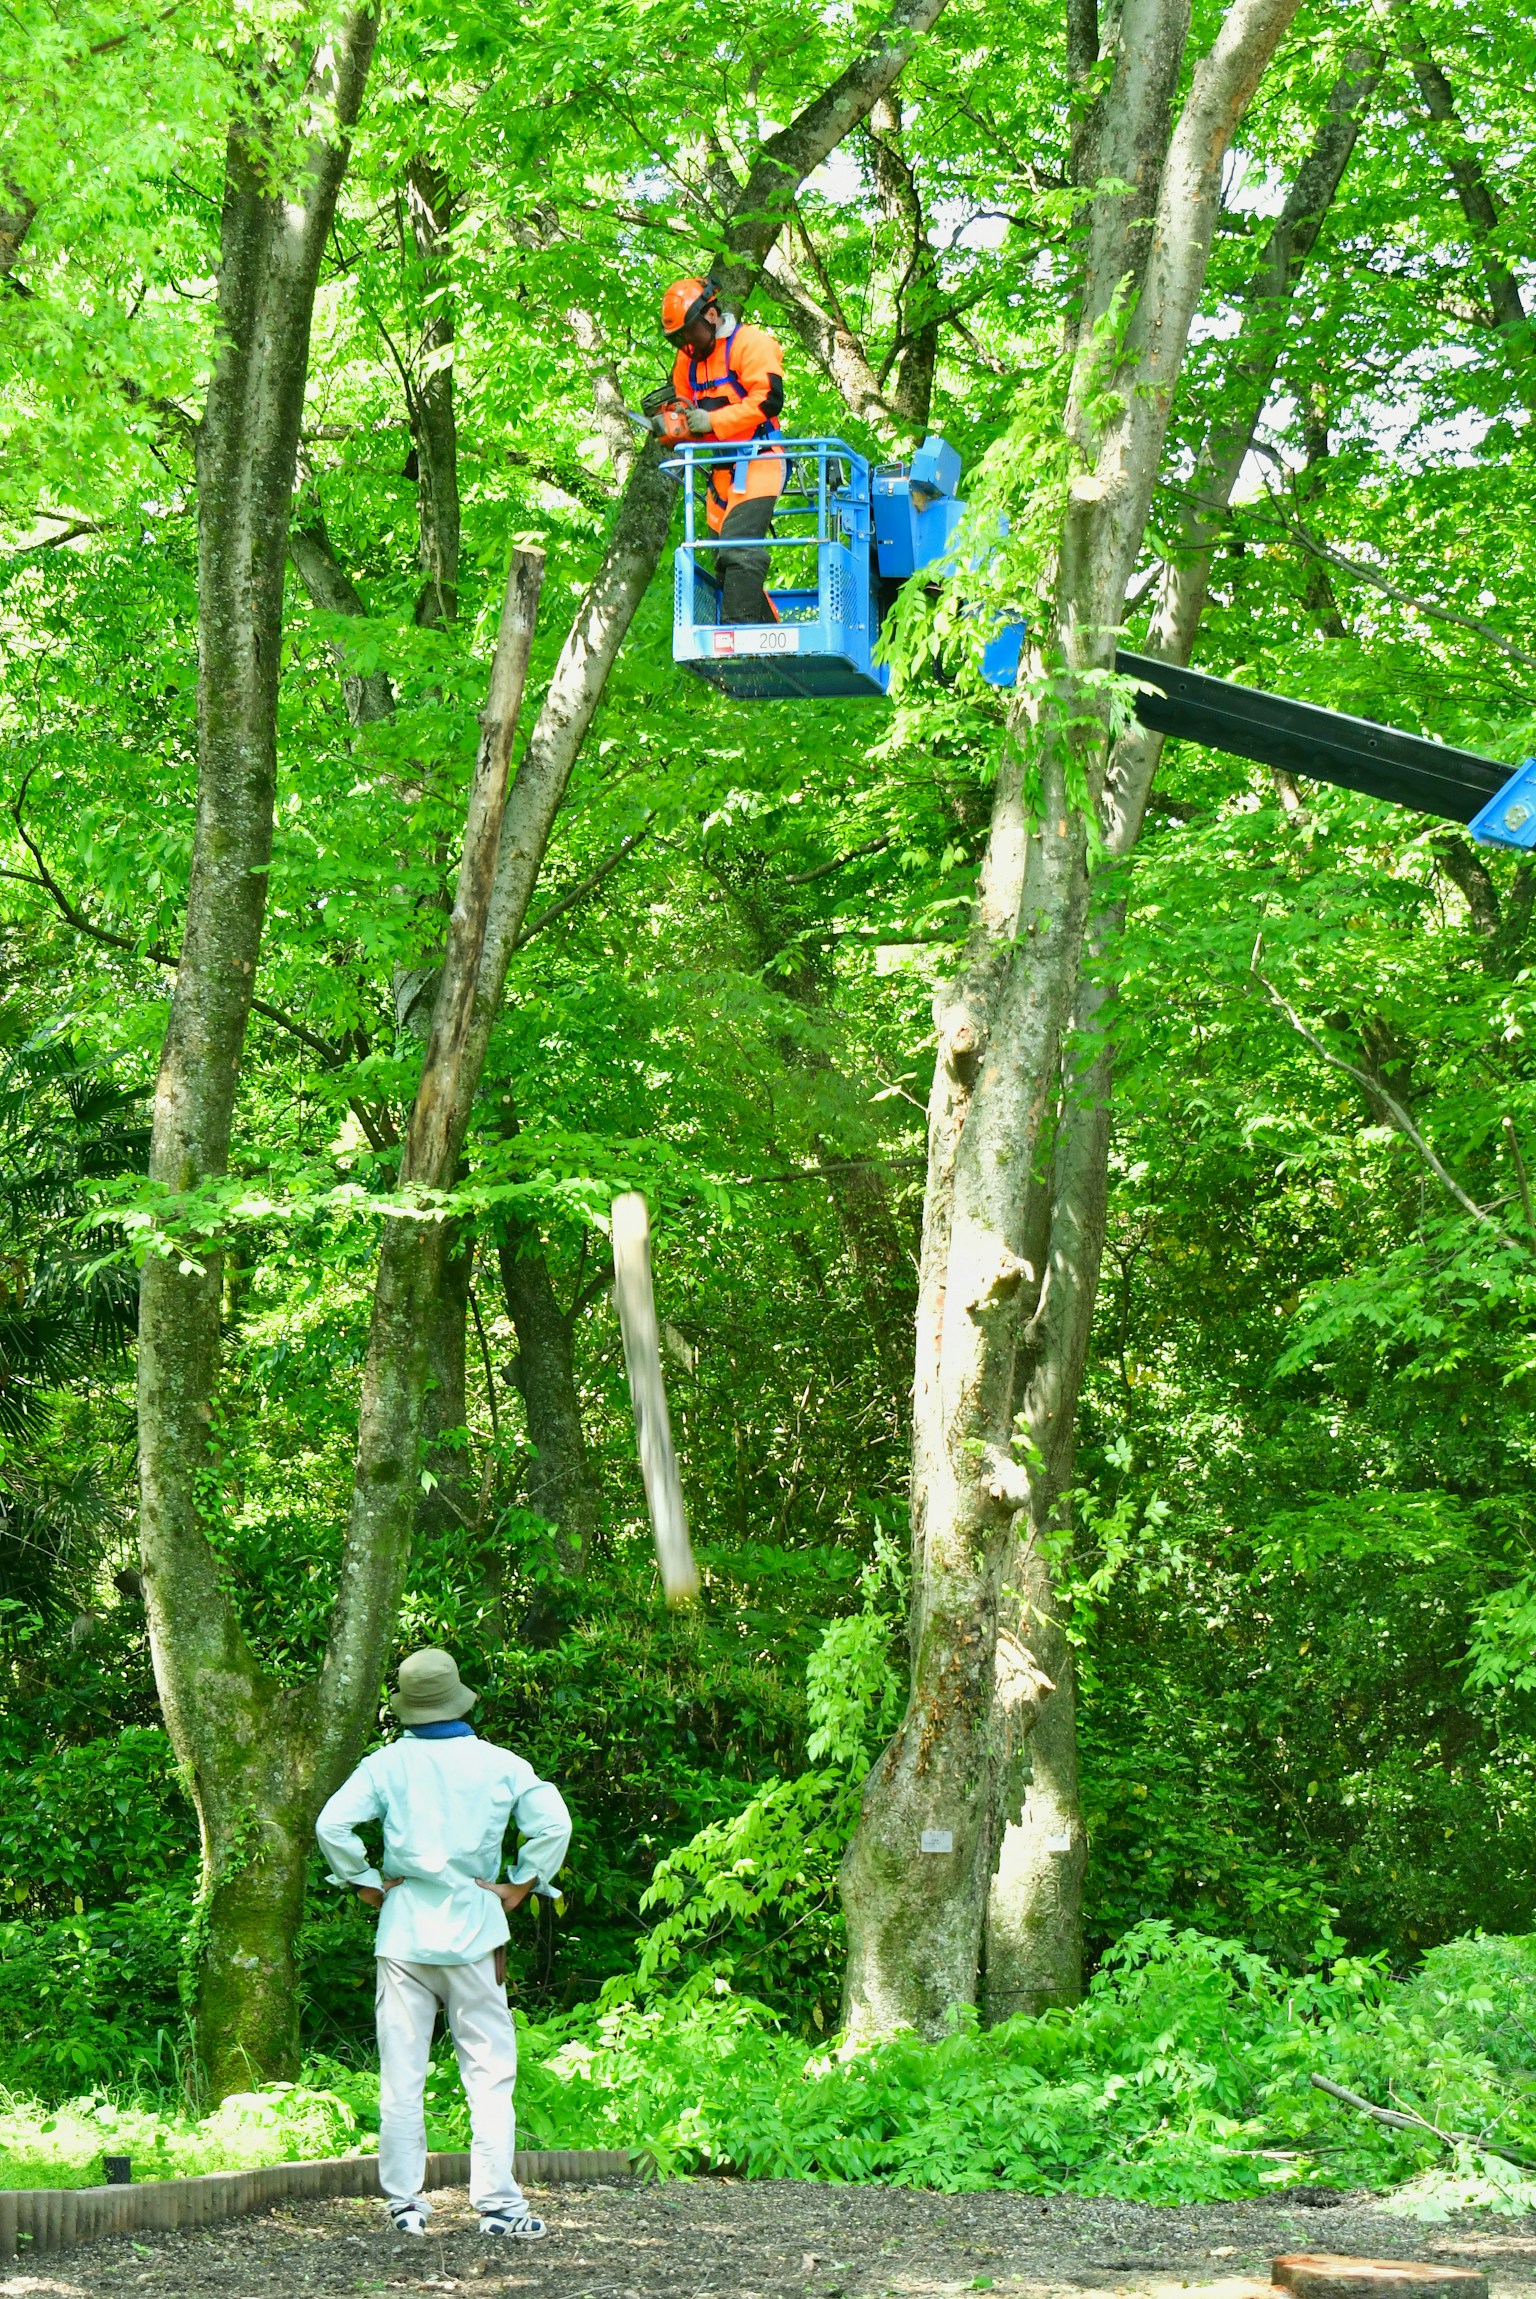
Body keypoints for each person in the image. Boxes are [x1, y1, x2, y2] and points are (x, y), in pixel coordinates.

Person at [315, 1648, 571, 2242]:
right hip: (478, 1930)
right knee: (489, 2076)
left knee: (401, 2075)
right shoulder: (500, 1763)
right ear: (457, 1697)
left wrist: (365, 1882)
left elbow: (332, 1824)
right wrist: (523, 1883)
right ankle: (500, 2208)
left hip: (404, 1930)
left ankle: (405, 2205)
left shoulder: (385, 1765)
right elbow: (553, 1823)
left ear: (407, 1706)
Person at [653, 274, 785, 625]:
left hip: (760, 460)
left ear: (710, 316)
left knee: (738, 549)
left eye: (689, 333)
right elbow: (685, 409)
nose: (686, 345)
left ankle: (737, 634)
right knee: (724, 562)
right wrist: (675, 428)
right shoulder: (686, 363)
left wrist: (713, 422)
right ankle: (767, 639)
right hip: (721, 472)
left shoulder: (749, 344)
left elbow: (769, 399)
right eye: (677, 339)